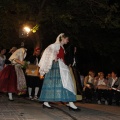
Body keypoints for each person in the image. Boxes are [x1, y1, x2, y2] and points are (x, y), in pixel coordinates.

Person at [38, 33, 80, 111]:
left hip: (61, 67)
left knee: (66, 83)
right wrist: (54, 57)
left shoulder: (62, 47)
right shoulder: (54, 45)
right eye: (67, 39)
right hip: (56, 67)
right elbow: (46, 54)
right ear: (62, 38)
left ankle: (70, 103)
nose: (67, 41)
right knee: (61, 84)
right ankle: (47, 102)